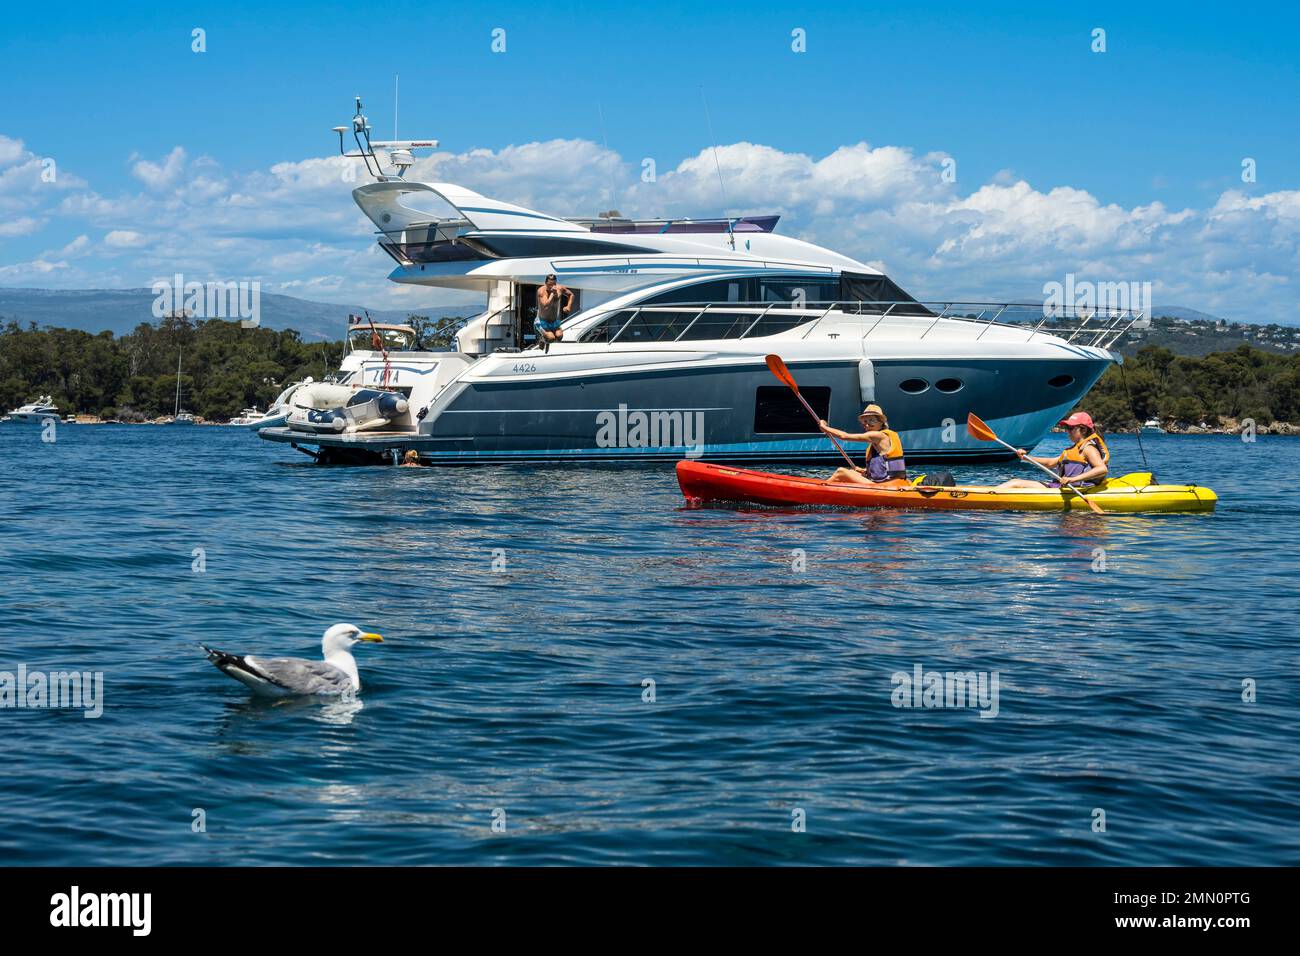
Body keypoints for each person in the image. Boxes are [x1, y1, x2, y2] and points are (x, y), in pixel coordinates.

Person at [996, 411, 1109, 489]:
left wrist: (1073, 479)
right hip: (1061, 487)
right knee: (1014, 482)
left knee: (1016, 483)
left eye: (1070, 428)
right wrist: (1026, 458)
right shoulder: (1074, 449)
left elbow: (1102, 469)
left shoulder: (1088, 448)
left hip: (1074, 489)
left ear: (1083, 430)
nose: (1067, 431)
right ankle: (987, 493)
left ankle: (985, 496)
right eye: (1066, 428)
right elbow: (1051, 463)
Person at [818, 404, 907, 484]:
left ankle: (820, 490)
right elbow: (884, 467)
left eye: (871, 420)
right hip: (891, 482)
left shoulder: (877, 435)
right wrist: (864, 471)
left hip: (888, 485)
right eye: (864, 421)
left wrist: (825, 428)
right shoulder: (879, 439)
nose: (867, 424)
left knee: (841, 472)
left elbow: (844, 436)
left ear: (881, 422)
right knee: (852, 472)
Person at [535, 273, 574, 351]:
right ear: (545, 283)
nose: (552, 287)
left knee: (559, 337)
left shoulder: (560, 288)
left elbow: (571, 295)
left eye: (554, 284)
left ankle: (547, 340)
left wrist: (568, 306)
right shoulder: (541, 291)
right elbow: (546, 305)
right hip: (543, 321)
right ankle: (543, 340)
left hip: (554, 321)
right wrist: (552, 294)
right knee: (551, 338)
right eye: (549, 284)